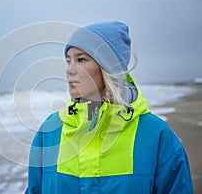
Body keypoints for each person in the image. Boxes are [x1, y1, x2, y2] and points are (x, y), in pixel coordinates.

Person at [25, 21, 194, 193]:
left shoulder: (156, 134)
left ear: (108, 67)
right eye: (68, 61)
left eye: (81, 59)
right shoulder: (51, 130)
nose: (69, 70)